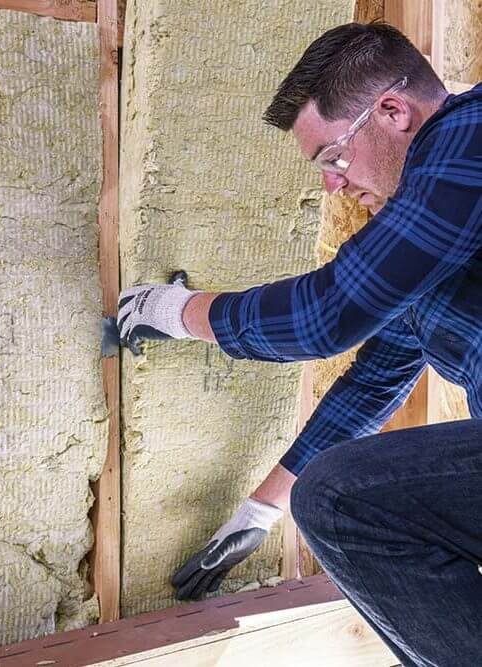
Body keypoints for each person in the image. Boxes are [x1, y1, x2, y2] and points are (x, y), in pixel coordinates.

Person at [116, 22, 482, 667]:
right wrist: (261, 512)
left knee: (341, 498)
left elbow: (327, 316)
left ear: (393, 111)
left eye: (332, 159)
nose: (332, 186)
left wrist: (176, 312)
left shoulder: (472, 140)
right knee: (338, 495)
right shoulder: (443, 233)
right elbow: (374, 380)